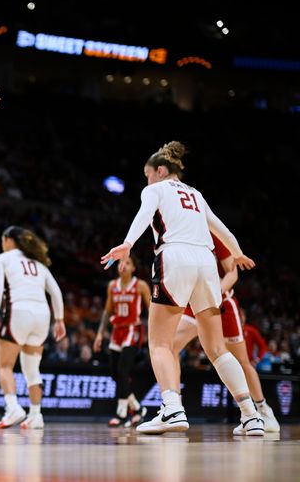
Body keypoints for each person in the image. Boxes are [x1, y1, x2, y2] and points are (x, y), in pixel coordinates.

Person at [101, 141, 263, 436]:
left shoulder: (155, 189)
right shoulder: (196, 194)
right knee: (216, 348)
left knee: (160, 343)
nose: (146, 179)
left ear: (160, 170)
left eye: (147, 173)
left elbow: (143, 215)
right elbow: (222, 230)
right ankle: (251, 415)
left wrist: (127, 243)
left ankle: (173, 409)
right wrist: (237, 253)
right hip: (206, 261)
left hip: (174, 257)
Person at [172, 234, 279, 432]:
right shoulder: (179, 236)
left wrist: (213, 294)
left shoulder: (213, 235)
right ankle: (173, 408)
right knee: (170, 347)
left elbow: (233, 274)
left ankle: (263, 411)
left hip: (222, 302)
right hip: (194, 303)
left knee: (242, 362)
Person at [0, 227, 66, 429]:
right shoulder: (39, 264)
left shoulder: (2, 259)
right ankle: (36, 414)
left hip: (19, 312)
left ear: (7, 240)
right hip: (42, 316)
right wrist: (59, 320)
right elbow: (56, 292)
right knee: (32, 369)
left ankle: (13, 407)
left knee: (4, 365)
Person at [93, 256, 150, 427]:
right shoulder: (112, 286)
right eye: (120, 263)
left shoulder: (140, 285)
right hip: (116, 330)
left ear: (133, 268)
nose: (123, 265)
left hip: (133, 329)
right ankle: (138, 409)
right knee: (115, 374)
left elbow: (152, 309)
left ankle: (121, 413)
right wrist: (99, 334)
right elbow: (107, 311)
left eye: (127, 263)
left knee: (123, 370)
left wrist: (153, 332)